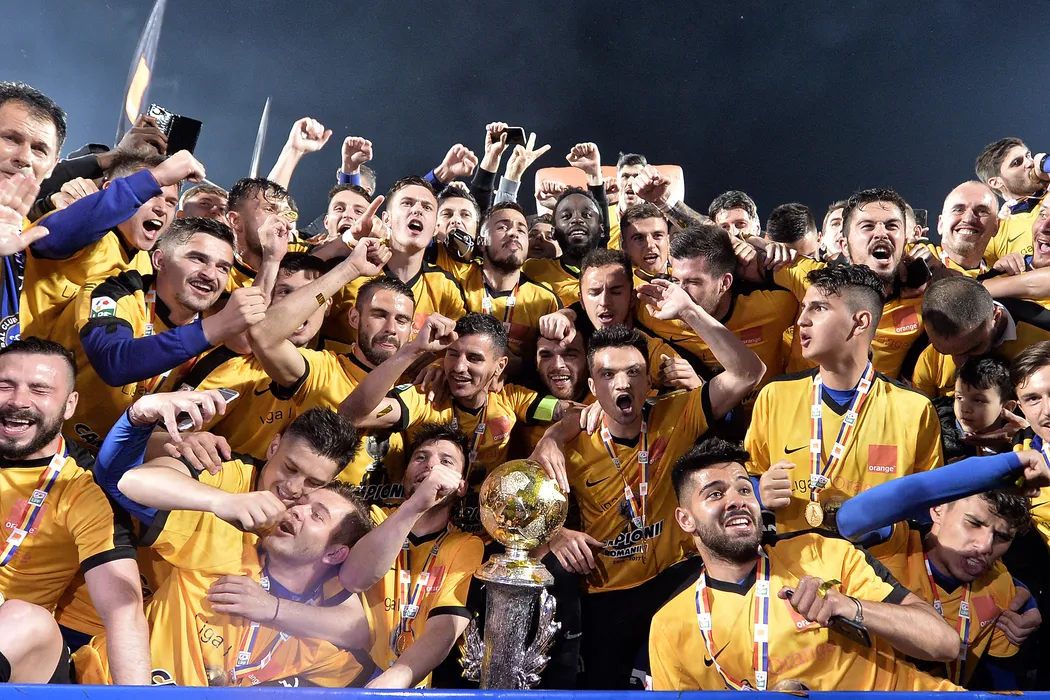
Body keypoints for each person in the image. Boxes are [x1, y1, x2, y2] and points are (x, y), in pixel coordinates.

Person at [530, 298, 764, 688]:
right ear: (592, 387)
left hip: (672, 579)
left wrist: (688, 310)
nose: (621, 384)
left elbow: (749, 371)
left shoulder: (677, 414)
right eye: (607, 374)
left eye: (634, 372)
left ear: (649, 382)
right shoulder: (565, 446)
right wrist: (556, 533)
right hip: (606, 593)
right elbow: (517, 520)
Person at [75, 391, 373, 686]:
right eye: (290, 468)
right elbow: (127, 482)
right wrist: (221, 501)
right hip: (100, 617)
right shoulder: (221, 472)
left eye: (313, 482)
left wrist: (271, 608)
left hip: (176, 651)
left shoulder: (315, 533)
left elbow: (354, 626)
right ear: (273, 447)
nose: (294, 488)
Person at [648, 437, 961, 691]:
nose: (737, 500)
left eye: (744, 489)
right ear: (685, 519)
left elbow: (944, 644)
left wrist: (849, 607)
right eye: (715, 494)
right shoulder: (671, 626)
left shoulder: (823, 551)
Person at [749, 265, 942, 534]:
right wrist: (759, 493)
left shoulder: (915, 409)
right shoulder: (774, 396)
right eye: (803, 308)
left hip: (882, 559)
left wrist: (885, 528)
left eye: (818, 308)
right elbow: (749, 478)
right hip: (796, 557)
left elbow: (931, 510)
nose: (801, 320)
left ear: (860, 322)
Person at [0, 338, 148, 684]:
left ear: (69, 405)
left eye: (39, 389)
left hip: (23, 648)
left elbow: (123, 611)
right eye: (5, 385)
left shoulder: (84, 486)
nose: (18, 400)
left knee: (25, 619)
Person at [342, 312, 575, 531]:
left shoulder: (512, 399)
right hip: (420, 532)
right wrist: (413, 350)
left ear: (500, 366)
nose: (459, 367)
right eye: (453, 354)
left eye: (474, 358)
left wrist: (554, 436)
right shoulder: (426, 398)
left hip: (487, 534)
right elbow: (352, 415)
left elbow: (576, 412)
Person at [836, 451, 1046, 688]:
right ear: (937, 509)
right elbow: (849, 518)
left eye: (1002, 537)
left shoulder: (1002, 586)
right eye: (974, 523)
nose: (985, 546)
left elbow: (1000, 687)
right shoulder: (890, 545)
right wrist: (1004, 465)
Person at [55, 217, 267, 449]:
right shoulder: (114, 291)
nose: (210, 274)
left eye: (222, 268)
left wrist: (272, 260)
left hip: (123, 456)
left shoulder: (215, 320)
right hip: (54, 441)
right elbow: (114, 363)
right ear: (160, 260)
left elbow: (256, 337)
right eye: (198, 259)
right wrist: (218, 326)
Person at [342, 423, 484, 688]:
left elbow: (444, 629)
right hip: (347, 675)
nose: (431, 466)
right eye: (421, 457)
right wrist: (416, 506)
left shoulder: (466, 545)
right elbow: (354, 578)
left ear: (462, 486)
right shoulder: (373, 517)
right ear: (404, 475)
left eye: (446, 462)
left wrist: (395, 679)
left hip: (410, 682)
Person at [20, 150, 204, 342]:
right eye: (151, 195)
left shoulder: (145, 262)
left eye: (170, 202)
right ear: (109, 190)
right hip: (20, 353)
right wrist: (156, 177)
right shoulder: (80, 228)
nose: (161, 209)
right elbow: (60, 233)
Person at [751, 187, 934, 379]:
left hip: (878, 397)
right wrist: (754, 242)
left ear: (906, 242)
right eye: (868, 226)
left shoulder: (924, 294)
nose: (881, 233)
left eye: (892, 226)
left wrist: (937, 269)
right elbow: (740, 255)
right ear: (845, 246)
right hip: (799, 396)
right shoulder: (813, 278)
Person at [636, 224, 798, 420]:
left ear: (725, 283)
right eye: (676, 281)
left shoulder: (775, 307)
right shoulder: (653, 312)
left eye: (693, 282)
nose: (680, 293)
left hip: (770, 421)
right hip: (706, 426)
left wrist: (760, 248)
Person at [320, 177, 467, 352]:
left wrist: (435, 361)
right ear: (386, 219)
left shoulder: (445, 287)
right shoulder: (350, 272)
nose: (417, 210)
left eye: (427, 207)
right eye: (407, 203)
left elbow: (459, 350)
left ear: (436, 227)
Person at [540, 248, 695, 389]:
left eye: (615, 291)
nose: (604, 301)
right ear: (581, 301)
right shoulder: (566, 337)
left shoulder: (656, 347)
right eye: (594, 293)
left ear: (632, 298)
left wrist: (697, 384)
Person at [0, 82, 67, 346]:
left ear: (52, 166)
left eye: (39, 149)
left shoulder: (38, 242)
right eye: (10, 138)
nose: (24, 157)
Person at [456, 202, 562, 362]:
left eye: (521, 230)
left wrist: (519, 366)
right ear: (481, 242)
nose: (513, 233)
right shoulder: (456, 284)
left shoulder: (545, 301)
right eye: (502, 227)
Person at [912, 276, 1050, 398]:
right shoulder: (929, 353)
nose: (958, 363)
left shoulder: (1043, 331)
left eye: (971, 349)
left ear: (996, 317)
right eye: (944, 352)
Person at [522, 143, 611, 305]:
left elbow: (601, 239)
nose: (577, 220)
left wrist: (594, 175)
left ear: (602, 229)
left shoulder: (615, 269)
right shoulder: (533, 270)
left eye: (586, 215)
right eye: (566, 216)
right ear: (554, 232)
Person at [975, 138, 1044, 264]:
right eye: (1017, 162)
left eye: (1028, 156)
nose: (1030, 163)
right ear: (996, 182)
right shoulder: (994, 233)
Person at [223, 177, 298, 290]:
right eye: (269, 209)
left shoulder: (300, 251)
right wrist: (271, 260)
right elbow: (257, 302)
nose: (281, 219)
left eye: (285, 213)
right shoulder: (218, 271)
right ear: (235, 221)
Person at [923, 182, 999, 277]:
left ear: (996, 227)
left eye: (982, 211)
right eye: (958, 210)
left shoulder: (1000, 277)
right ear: (941, 224)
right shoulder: (915, 255)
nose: (968, 219)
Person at [605, 152, 648, 250]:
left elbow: (684, 226)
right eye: (625, 176)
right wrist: (600, 199)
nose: (630, 182)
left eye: (637, 176)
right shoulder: (603, 215)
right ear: (617, 180)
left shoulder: (657, 217)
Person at [619, 202, 670, 284]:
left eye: (657, 235)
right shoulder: (618, 285)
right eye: (639, 238)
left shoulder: (685, 278)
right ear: (624, 247)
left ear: (668, 241)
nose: (650, 245)